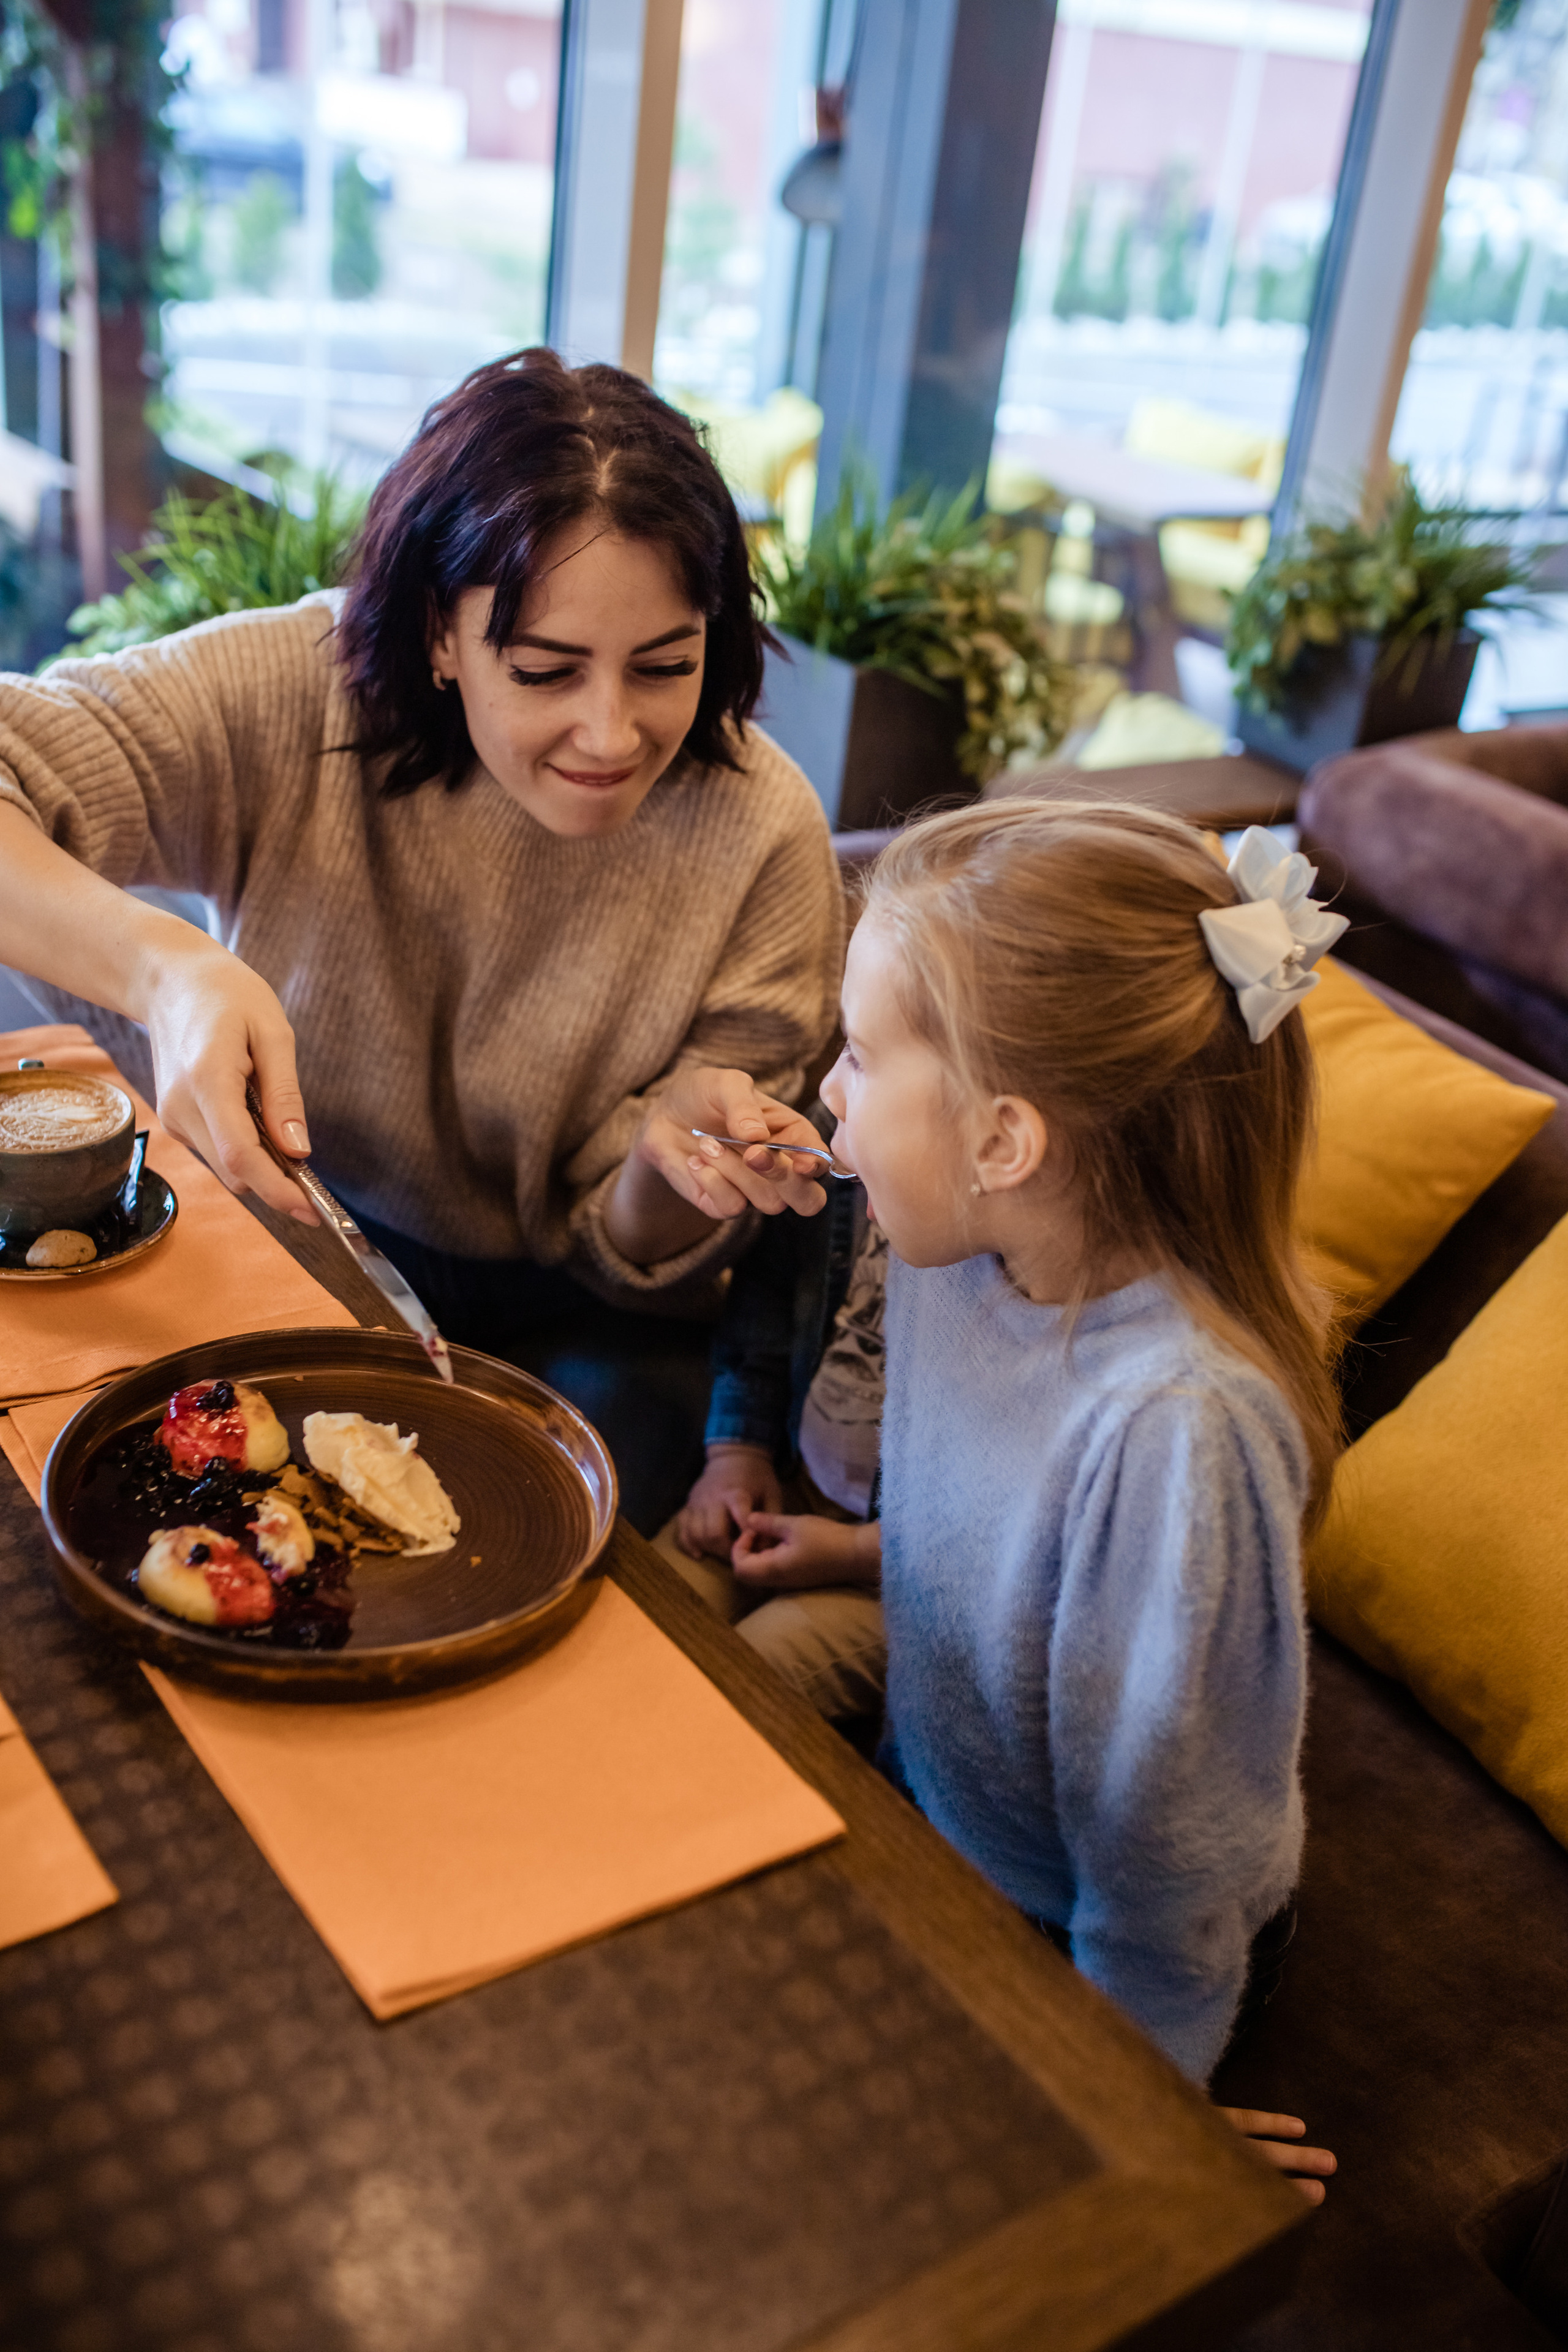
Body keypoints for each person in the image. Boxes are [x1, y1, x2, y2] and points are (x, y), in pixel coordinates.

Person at [0, 349, 839, 1528]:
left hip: (576, 1316)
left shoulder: (764, 835)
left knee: (535, 1539)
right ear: (440, 635)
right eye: (545, 670)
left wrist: (668, 1160)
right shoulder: (305, 691)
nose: (611, 732)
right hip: (300, 1239)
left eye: (667, 667)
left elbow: (629, 1250)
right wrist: (167, 967)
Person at [801, 800, 1346, 2087]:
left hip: (1095, 1950)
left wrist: (1139, 2107)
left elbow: (1164, 1862)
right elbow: (1004, 1519)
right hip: (936, 1814)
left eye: (860, 1059)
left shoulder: (1174, 1435)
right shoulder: (964, 1246)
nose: (827, 1088)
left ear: (1002, 1141)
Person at [658, 1106, 888, 1730]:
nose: (831, 1085)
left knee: (737, 1685)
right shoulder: (839, 1141)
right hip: (792, 1484)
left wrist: (855, 1551)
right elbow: (768, 1298)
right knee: (648, 1619)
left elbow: (1001, 1527)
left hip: (902, 1580)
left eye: (862, 1057)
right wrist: (738, 1451)